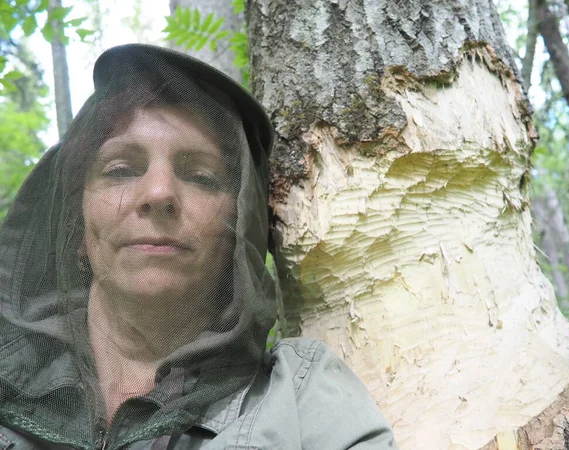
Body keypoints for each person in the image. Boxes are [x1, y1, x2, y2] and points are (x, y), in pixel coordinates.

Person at [0, 44, 397, 449]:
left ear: (239, 231)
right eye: (120, 170)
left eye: (201, 177)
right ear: (76, 229)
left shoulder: (302, 396)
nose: (158, 192)